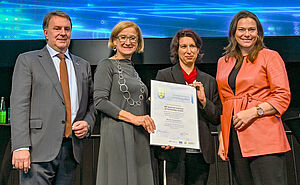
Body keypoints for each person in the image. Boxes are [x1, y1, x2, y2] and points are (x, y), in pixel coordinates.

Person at [10, 10, 95, 185]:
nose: (63, 33)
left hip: (71, 151)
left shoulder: (83, 65)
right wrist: (20, 146)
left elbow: (92, 103)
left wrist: (87, 123)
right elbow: (20, 105)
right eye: (57, 28)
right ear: (46, 33)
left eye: (67, 29)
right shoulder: (28, 60)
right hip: (36, 151)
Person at [216, 10, 291, 185]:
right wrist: (223, 136)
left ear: (258, 33)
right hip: (235, 137)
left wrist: (253, 112)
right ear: (234, 33)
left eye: (252, 29)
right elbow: (224, 103)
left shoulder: (270, 56)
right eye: (242, 29)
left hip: (264, 135)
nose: (247, 34)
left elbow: (282, 96)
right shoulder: (223, 62)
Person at [152, 29, 222, 185]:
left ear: (198, 49)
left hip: (200, 153)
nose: (189, 51)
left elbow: (217, 117)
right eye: (183, 47)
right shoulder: (164, 75)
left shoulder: (209, 81)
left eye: (192, 46)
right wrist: (162, 138)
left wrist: (204, 101)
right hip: (172, 152)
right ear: (176, 50)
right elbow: (158, 114)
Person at [93, 21, 156, 185]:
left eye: (133, 38)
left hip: (139, 135)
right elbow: (100, 101)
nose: (128, 42)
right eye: (123, 37)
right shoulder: (106, 65)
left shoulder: (133, 69)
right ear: (114, 40)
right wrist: (134, 118)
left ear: (138, 43)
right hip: (117, 133)